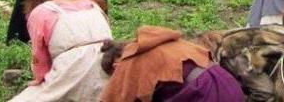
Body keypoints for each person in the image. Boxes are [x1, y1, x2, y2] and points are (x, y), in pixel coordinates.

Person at [9, 0, 112, 102]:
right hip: (107, 68)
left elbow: (39, 57)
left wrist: (40, 79)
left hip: (73, 66)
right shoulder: (92, 5)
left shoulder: (42, 11)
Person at [99, 26, 244, 102]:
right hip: (230, 87)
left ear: (116, 66)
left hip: (206, 95)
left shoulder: (129, 61)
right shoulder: (164, 44)